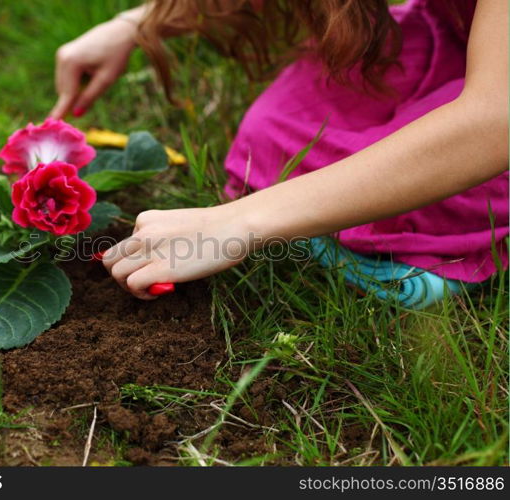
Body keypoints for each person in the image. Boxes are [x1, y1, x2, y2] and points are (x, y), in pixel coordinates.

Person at [50, 0, 508, 306]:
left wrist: (236, 222)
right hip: (468, 36)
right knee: (274, 137)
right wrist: (135, 24)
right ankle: (327, 228)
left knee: (445, 193)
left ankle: (418, 267)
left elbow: (494, 119)